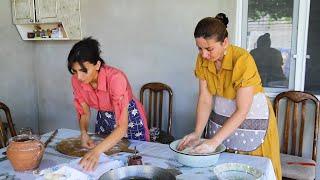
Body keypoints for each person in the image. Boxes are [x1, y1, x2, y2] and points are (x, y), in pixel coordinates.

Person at [177, 13, 282, 179]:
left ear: (224, 42)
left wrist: (213, 142)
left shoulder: (242, 60)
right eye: (199, 48)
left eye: (209, 49)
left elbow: (242, 110)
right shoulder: (203, 60)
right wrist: (197, 133)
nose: (203, 55)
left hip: (251, 120)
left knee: (249, 172)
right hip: (223, 119)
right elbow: (205, 99)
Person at [67, 37, 150, 171]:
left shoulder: (116, 78)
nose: (79, 77)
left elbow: (122, 127)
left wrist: (96, 151)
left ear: (97, 65)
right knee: (108, 161)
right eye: (75, 71)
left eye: (83, 71)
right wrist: (83, 132)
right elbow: (84, 112)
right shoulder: (76, 80)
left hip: (129, 116)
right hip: (104, 117)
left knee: (135, 159)